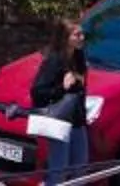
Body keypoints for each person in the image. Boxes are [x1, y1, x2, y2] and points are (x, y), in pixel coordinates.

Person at [27, 24, 88, 185]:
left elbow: (80, 91)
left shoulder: (78, 57)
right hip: (59, 121)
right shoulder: (54, 61)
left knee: (80, 168)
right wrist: (62, 88)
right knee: (59, 169)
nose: (82, 38)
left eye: (82, 34)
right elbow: (37, 93)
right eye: (77, 35)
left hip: (77, 121)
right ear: (65, 38)